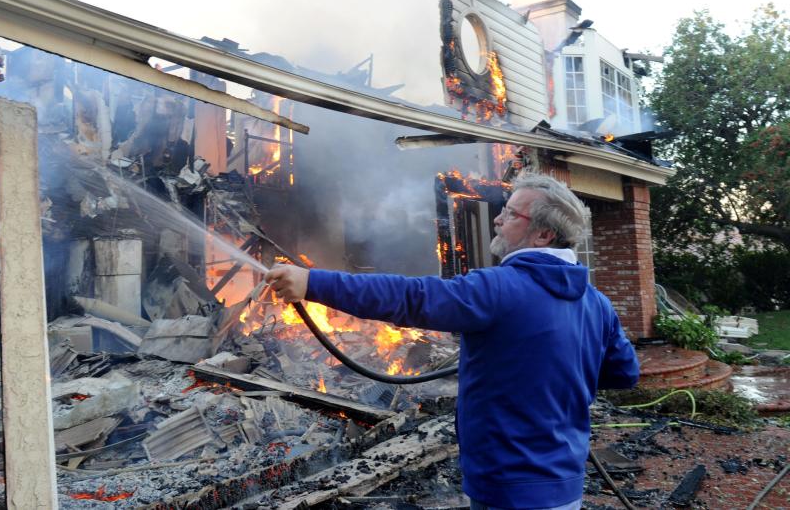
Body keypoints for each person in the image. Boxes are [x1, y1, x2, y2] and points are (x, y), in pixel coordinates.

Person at [265, 173, 639, 510]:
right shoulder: (597, 303)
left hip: (508, 490)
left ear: (543, 235)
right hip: (566, 486)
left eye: (510, 214)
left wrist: (313, 283)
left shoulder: (501, 289)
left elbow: (413, 298)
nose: (497, 218)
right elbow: (624, 373)